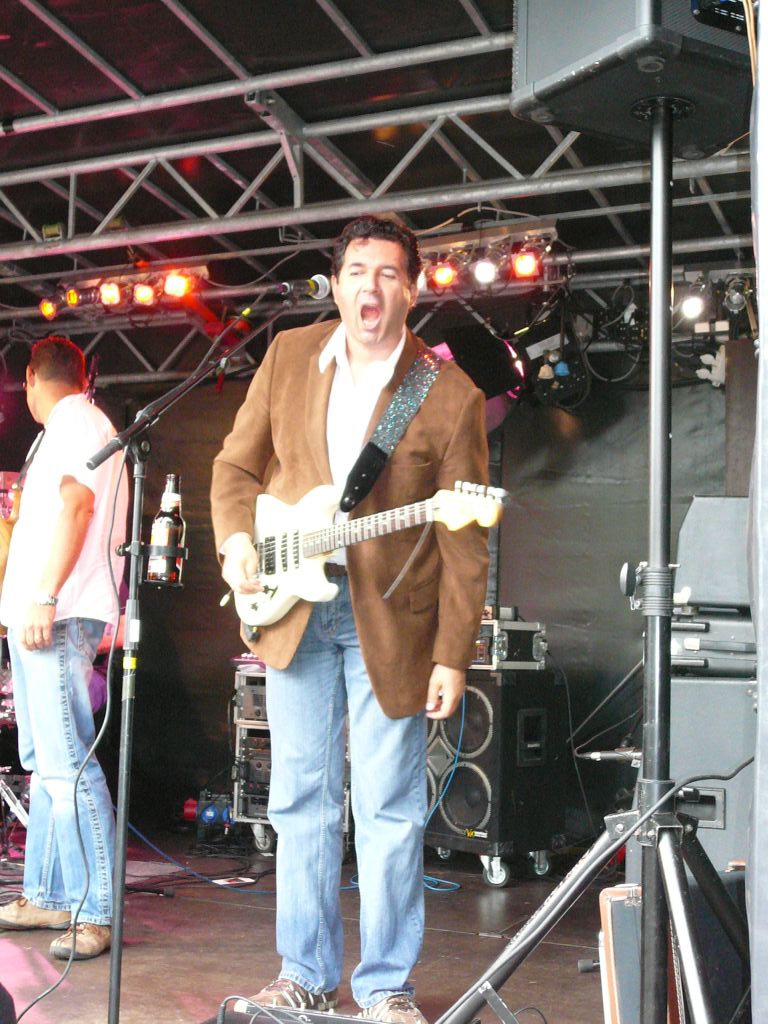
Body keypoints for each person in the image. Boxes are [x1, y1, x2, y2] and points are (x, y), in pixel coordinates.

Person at [211, 216, 490, 1023]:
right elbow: (235, 466)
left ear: (412, 290)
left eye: (389, 273)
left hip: (392, 625)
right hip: (293, 609)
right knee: (299, 799)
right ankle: (303, 973)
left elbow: (464, 540)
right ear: (335, 284)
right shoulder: (288, 355)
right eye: (358, 271)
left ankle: (386, 988)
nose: (371, 286)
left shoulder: (449, 394)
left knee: (389, 809)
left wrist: (453, 653)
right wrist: (236, 541)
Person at [0, 335, 128, 961]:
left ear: (31, 379)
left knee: (68, 765)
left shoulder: (76, 420)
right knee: (47, 763)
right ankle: (49, 895)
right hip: (44, 615)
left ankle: (95, 910)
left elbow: (78, 508)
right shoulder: (70, 427)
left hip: (59, 613)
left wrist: (45, 596)